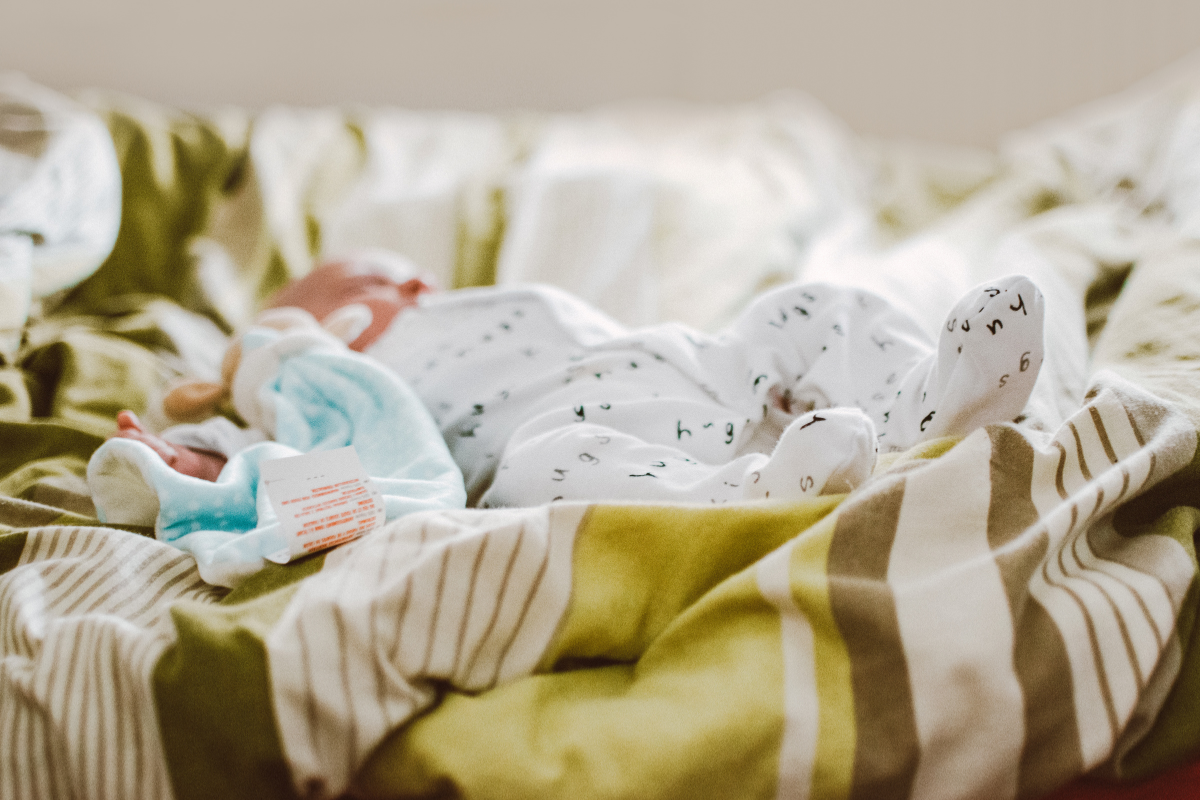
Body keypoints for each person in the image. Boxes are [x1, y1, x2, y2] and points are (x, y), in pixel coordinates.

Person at [111, 251, 1046, 507]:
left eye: (399, 272)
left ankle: (929, 401)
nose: (406, 284)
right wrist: (190, 460)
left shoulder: (463, 300)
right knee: (545, 471)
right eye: (360, 281)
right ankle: (753, 496)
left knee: (811, 307)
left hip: (694, 367)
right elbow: (271, 469)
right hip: (568, 437)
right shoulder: (327, 388)